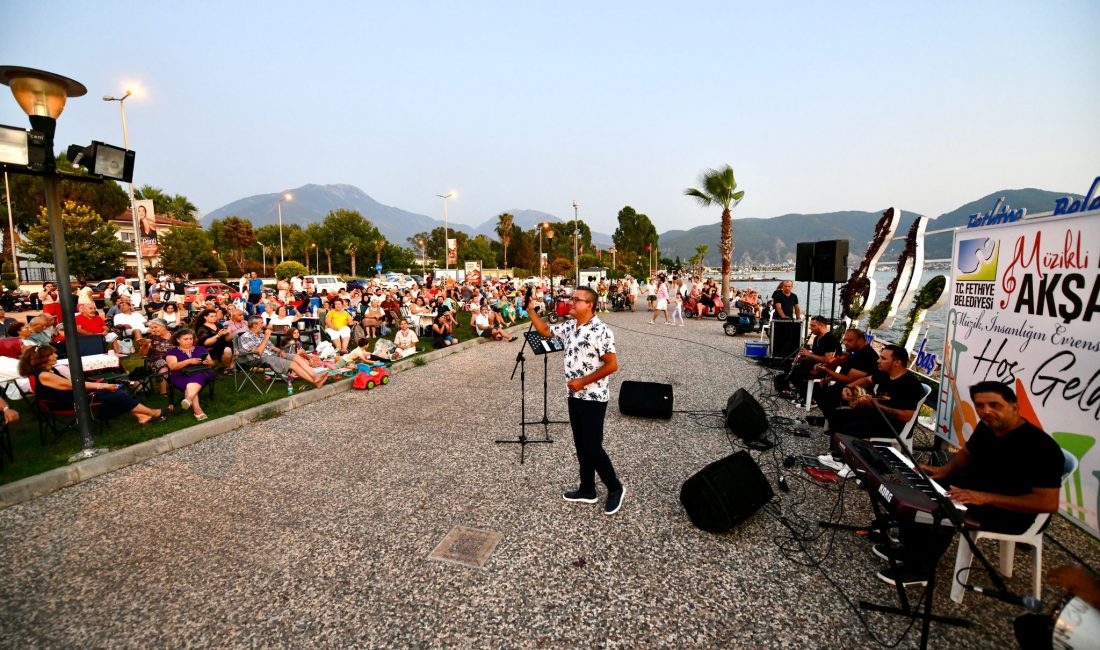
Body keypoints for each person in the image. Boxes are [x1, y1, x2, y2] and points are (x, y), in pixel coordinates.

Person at [875, 381, 1065, 588]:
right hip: (976, 490)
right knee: (920, 486)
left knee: (943, 507)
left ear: (1015, 407)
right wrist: (943, 471)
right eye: (980, 406)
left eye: (995, 405)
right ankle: (911, 548)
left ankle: (921, 569)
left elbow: (1046, 503)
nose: (986, 411)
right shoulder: (987, 426)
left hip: (1013, 513)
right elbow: (967, 453)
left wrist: (985, 497)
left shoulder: (1042, 448)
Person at [526, 285, 625, 516]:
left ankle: (615, 487)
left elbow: (612, 365)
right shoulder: (571, 326)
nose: (571, 302)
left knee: (592, 446)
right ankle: (587, 489)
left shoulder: (602, 331)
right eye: (572, 298)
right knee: (581, 446)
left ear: (589, 304)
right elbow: (545, 331)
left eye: (576, 299)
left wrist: (583, 382)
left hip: (594, 398)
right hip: (574, 396)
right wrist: (531, 311)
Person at [19, 345, 168, 425]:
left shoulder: (46, 371)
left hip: (70, 398)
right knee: (117, 393)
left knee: (116, 393)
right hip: (65, 403)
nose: (56, 355)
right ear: (44, 358)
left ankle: (141, 416)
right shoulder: (44, 375)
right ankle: (152, 413)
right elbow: (73, 386)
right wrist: (102, 386)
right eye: (53, 354)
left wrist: (102, 387)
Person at [820, 344, 925, 444]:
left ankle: (841, 457)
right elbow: (867, 380)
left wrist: (874, 405)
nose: (878, 361)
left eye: (883, 359)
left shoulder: (910, 385)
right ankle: (836, 450)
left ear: (897, 363)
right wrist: (849, 387)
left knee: (847, 429)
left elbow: (906, 416)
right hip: (875, 413)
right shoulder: (886, 373)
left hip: (892, 425)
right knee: (835, 415)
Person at [238, 317, 329, 389]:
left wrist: (281, 351)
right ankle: (315, 381)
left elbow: (271, 347)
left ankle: (315, 376)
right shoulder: (246, 336)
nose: (264, 325)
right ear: (254, 325)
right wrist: (266, 337)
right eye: (261, 323)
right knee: (293, 364)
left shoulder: (261, 334)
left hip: (271, 355)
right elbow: (258, 352)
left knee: (296, 357)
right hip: (260, 359)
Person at [811, 328, 879, 414]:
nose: (845, 343)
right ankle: (830, 419)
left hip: (855, 391)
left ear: (861, 340)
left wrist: (826, 370)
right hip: (845, 386)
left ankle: (835, 420)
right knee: (817, 389)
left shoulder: (866, 355)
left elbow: (849, 379)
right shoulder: (856, 351)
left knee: (822, 395)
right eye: (844, 340)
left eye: (849, 341)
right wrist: (831, 378)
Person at [786, 315, 841, 403]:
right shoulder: (817, 338)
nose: (811, 328)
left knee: (796, 374)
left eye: (813, 326)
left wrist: (809, 354)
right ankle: (803, 393)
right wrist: (802, 359)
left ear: (821, 325)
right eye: (810, 326)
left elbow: (828, 360)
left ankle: (810, 399)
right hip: (815, 364)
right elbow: (815, 356)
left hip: (825, 368)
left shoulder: (830, 339)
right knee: (789, 367)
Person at [165, 328, 217, 421]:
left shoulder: (201, 349)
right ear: (178, 339)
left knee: (197, 377)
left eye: (191, 339)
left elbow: (212, 363)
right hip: (180, 375)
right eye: (186, 339)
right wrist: (188, 361)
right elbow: (173, 367)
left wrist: (207, 362)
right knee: (192, 382)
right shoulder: (172, 352)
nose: (189, 341)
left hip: (202, 371)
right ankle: (197, 409)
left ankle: (189, 400)